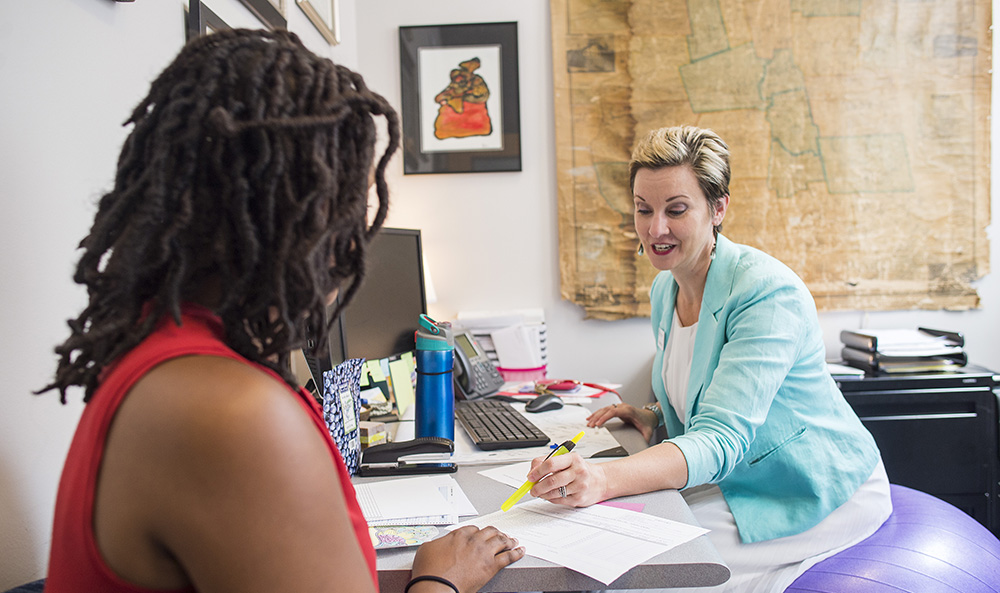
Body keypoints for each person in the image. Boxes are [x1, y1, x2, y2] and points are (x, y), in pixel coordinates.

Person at [38, 29, 523, 593]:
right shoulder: (231, 414)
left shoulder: (166, 358)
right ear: (291, 214)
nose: (354, 244)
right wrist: (441, 581)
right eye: (347, 206)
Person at [525, 125, 892, 592]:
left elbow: (722, 436)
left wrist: (599, 478)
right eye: (644, 209)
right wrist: (654, 412)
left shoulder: (766, 293)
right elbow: (703, 386)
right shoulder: (666, 287)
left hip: (805, 489)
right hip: (737, 477)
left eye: (676, 210)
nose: (656, 228)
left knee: (640, 572)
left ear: (718, 208)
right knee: (590, 541)